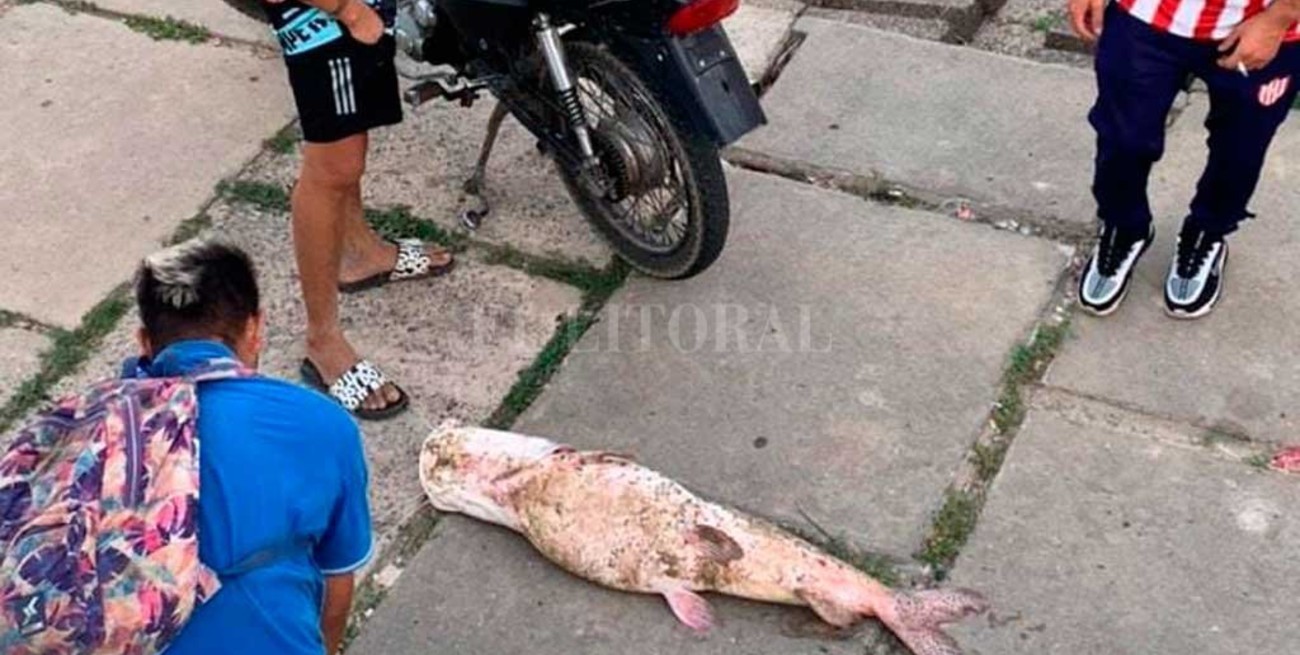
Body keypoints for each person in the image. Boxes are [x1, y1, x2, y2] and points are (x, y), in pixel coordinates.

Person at [124, 240, 373, 655]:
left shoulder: (90, 436)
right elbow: (336, 580)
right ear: (255, 328)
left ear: (145, 342)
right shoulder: (321, 425)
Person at [264, 0, 454, 419]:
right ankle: (323, 342)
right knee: (332, 167)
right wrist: (347, 9)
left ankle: (359, 252)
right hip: (319, 15)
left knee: (351, 138)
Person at [1070, 0, 1300, 318]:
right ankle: (1124, 227)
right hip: (1145, 15)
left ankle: (1207, 232)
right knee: (1124, 138)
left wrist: (1281, 17)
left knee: (1240, 148)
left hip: (1261, 22)